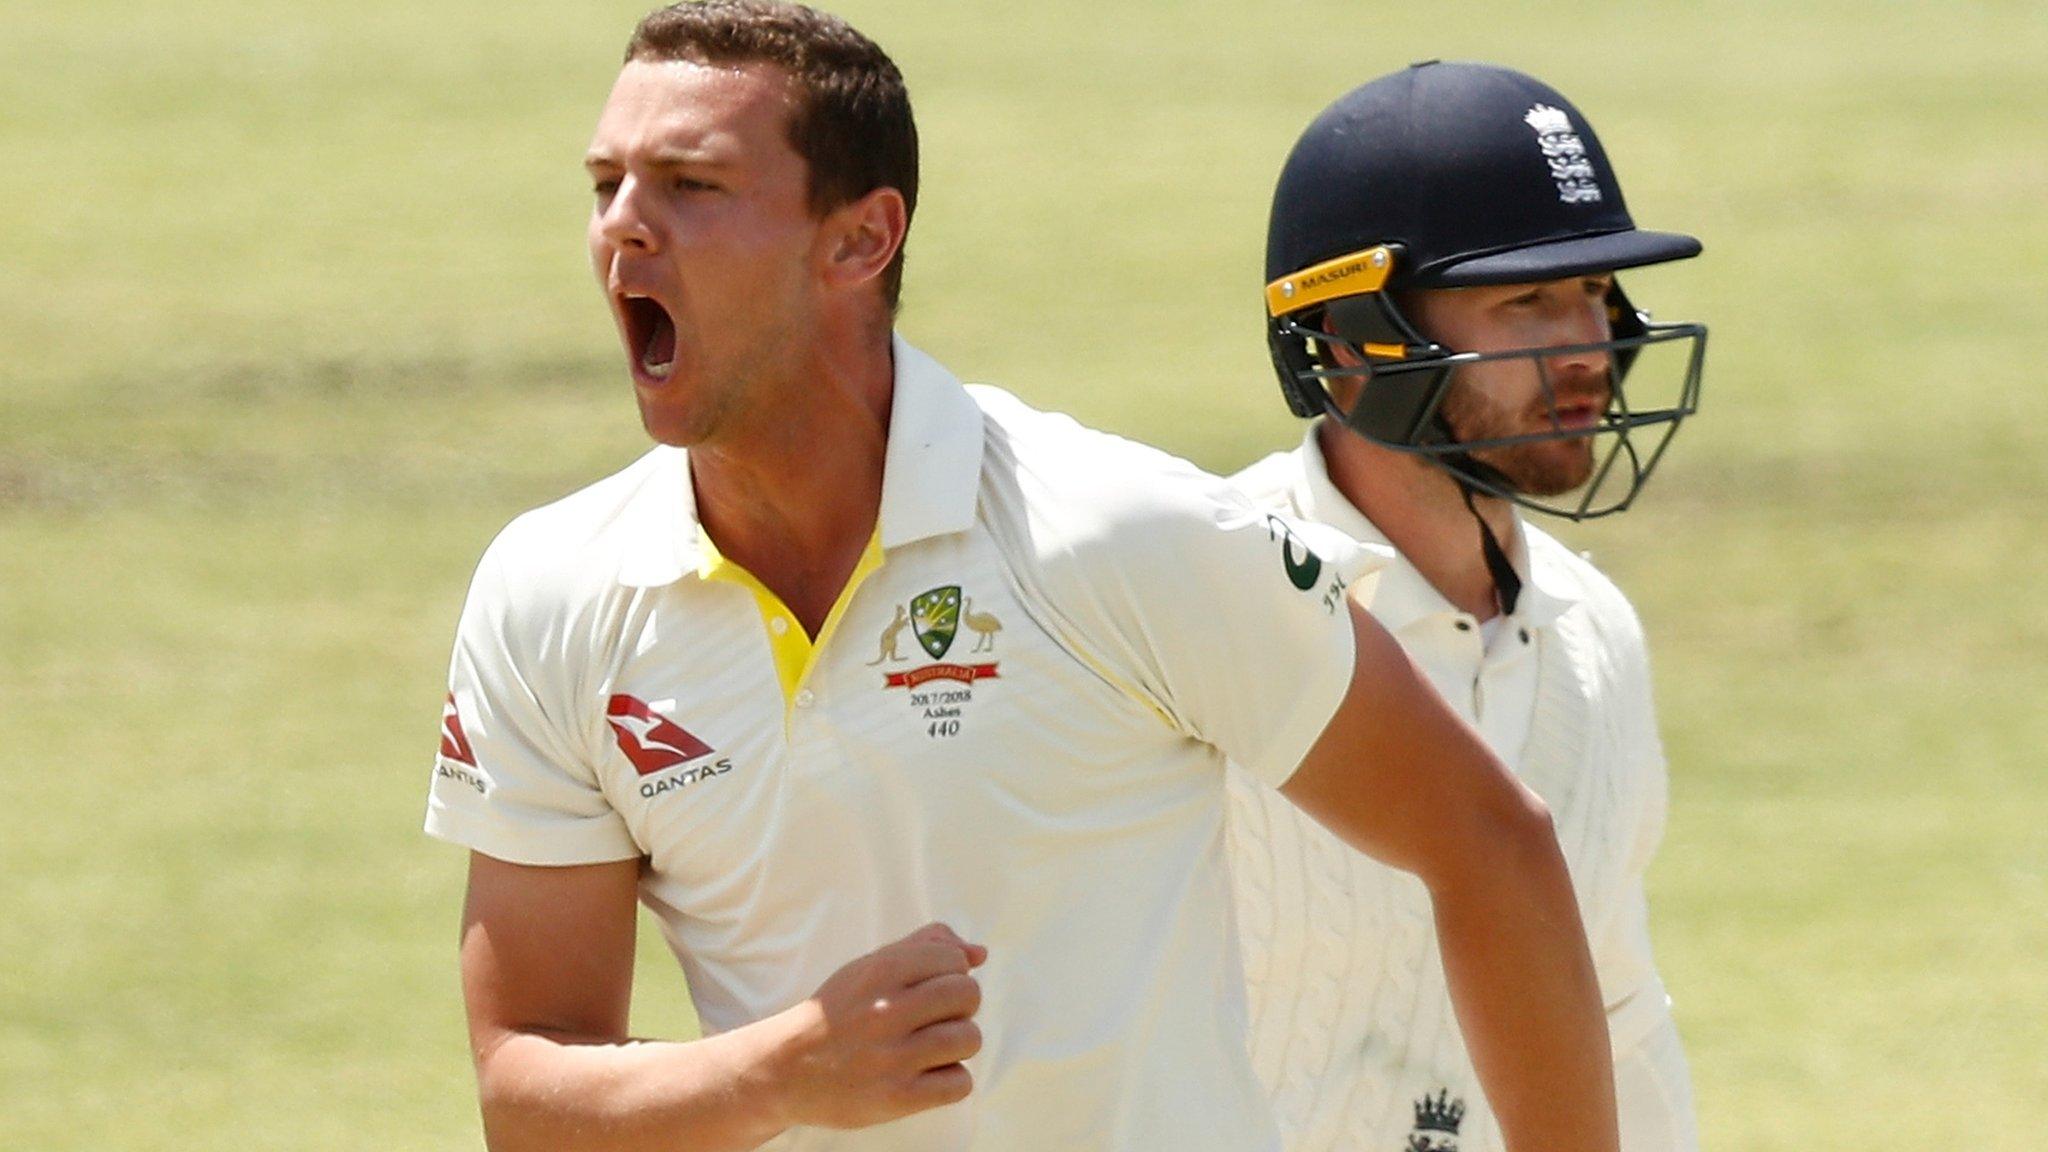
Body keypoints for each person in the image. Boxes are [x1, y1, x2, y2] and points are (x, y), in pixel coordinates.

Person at [426, 9, 1619, 1150]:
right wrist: (777, 1073)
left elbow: (1486, 840)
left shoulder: (1121, 534)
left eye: (690, 186)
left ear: (860, 238)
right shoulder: (551, 595)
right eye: (606, 186)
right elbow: (526, 1091)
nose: (623, 229)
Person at [1230, 61, 1709, 1152]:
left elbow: (1619, 1018)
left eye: (1594, 293)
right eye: (1526, 301)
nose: (1587, 345)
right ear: (1355, 333)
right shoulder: (1203, 600)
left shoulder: (1593, 630)